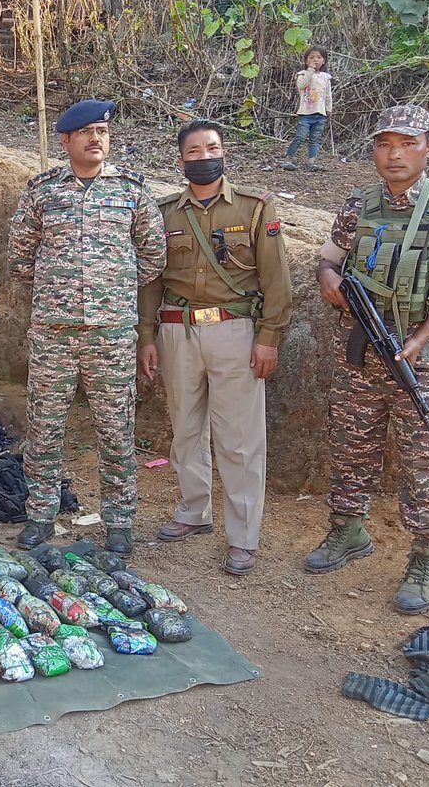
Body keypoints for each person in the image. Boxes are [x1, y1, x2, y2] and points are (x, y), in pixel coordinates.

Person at [308, 103, 429, 613]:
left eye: (406, 143)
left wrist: (421, 339)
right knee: (351, 444)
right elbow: (327, 262)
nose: (394, 153)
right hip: (359, 347)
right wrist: (330, 281)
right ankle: (348, 529)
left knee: (423, 453)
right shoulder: (358, 203)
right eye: (384, 144)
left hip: (416, 353)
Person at [8, 99, 165, 556]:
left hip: (111, 336)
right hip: (53, 335)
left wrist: (108, 289)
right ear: (66, 141)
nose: (97, 138)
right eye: (86, 132)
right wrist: (62, 291)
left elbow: (153, 256)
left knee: (116, 430)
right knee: (45, 428)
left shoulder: (132, 191)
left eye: (102, 131)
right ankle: (40, 513)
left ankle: (118, 520)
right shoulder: (43, 191)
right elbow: (20, 258)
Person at [137, 120, 292, 576]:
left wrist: (269, 338)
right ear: (181, 159)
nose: (205, 155)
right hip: (177, 331)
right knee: (185, 428)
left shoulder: (255, 208)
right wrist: (147, 336)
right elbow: (152, 281)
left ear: (224, 153)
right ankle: (193, 510)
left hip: (235, 332)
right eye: (195, 150)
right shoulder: (163, 212)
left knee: (240, 440)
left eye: (213, 147)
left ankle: (243, 537)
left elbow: (275, 280)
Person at [282, 46, 333, 171]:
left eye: (319, 57)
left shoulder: (326, 77)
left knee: (315, 139)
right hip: (305, 113)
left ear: (324, 61)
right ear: (306, 61)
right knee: (300, 136)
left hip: (320, 113)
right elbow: (301, 85)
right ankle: (288, 158)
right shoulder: (302, 74)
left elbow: (328, 95)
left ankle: (311, 161)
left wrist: (329, 109)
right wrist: (310, 70)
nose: (315, 60)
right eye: (311, 57)